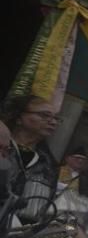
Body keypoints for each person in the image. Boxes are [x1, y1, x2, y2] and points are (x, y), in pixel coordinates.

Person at [2, 95, 59, 224]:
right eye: (44, 115)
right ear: (19, 118)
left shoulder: (48, 165)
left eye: (56, 118)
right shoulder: (3, 149)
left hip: (18, 237)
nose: (53, 122)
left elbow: (44, 210)